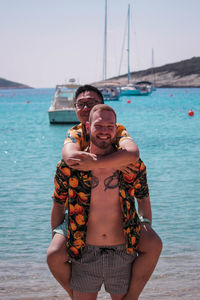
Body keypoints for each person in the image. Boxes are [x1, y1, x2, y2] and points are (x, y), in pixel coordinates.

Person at [47, 104, 162, 300]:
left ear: (116, 130)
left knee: (154, 245)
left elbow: (143, 197)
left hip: (121, 252)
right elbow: (58, 204)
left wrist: (146, 226)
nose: (104, 131)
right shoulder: (70, 167)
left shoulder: (132, 166)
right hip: (85, 253)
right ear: (88, 126)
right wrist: (58, 237)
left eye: (110, 127)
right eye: (99, 126)